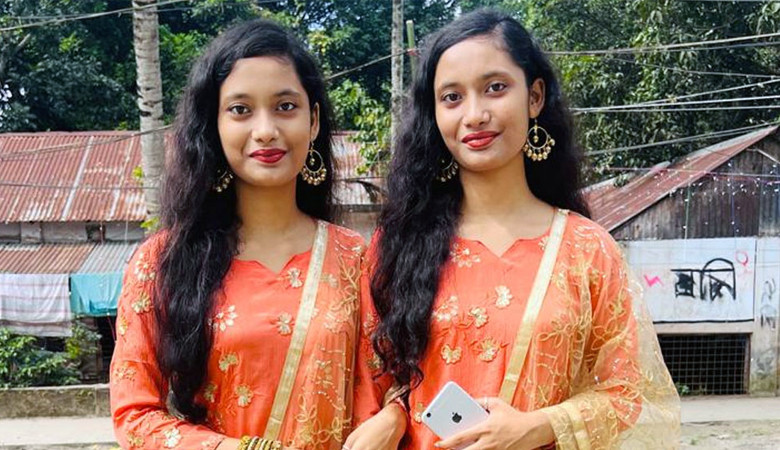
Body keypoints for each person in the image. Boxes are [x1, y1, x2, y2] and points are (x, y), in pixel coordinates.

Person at [347, 9, 680, 450]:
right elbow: (374, 377)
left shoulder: (586, 249)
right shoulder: (398, 247)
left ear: (534, 96)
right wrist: (393, 413)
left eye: (495, 88)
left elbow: (626, 392)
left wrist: (536, 426)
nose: (475, 114)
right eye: (452, 97)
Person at [110, 19, 364, 450]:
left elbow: (381, 387)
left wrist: (391, 416)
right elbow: (134, 416)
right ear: (214, 124)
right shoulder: (162, 263)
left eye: (285, 106)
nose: (265, 130)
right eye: (241, 110)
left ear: (314, 120)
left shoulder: (355, 257)